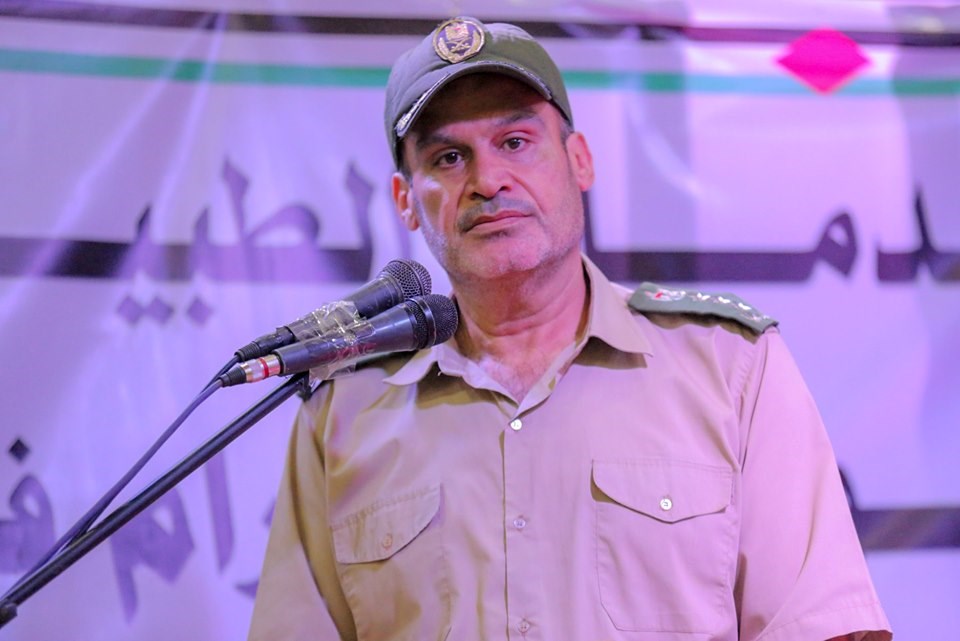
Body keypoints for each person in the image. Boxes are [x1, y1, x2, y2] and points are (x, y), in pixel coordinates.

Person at [248, 17, 892, 641]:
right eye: (448, 157)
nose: (487, 181)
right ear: (405, 201)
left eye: (515, 142)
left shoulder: (730, 366)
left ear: (579, 160)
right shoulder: (345, 411)